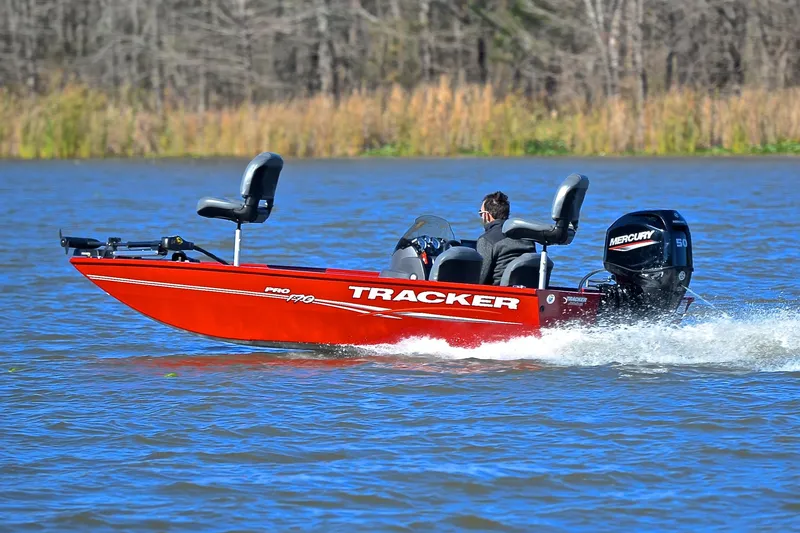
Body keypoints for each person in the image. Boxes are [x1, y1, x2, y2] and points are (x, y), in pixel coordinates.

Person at [476, 191, 537, 285]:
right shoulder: (527, 239)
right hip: (526, 291)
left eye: (481, 214)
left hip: (497, 293)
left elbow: (480, 278)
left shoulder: (487, 239)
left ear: (486, 215)